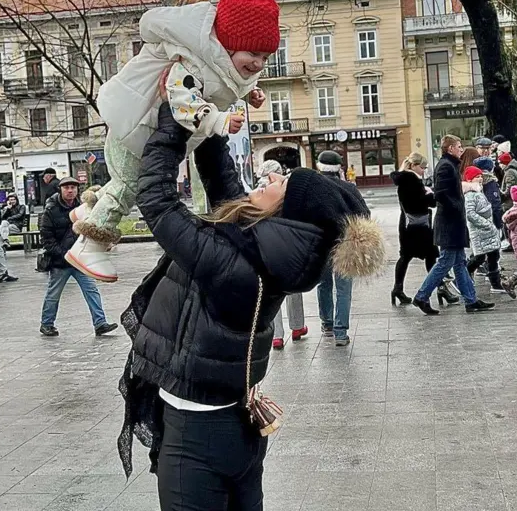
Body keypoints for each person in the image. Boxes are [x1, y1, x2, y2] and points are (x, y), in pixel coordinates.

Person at [117, 103, 385, 506]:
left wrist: (173, 120)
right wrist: (208, 120)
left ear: (284, 213)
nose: (267, 181)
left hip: (198, 435)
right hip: (233, 425)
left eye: (280, 184)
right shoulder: (263, 250)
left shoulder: (233, 261)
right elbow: (223, 180)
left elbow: (156, 201)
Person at [65, 0, 277, 283]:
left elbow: (231, 83)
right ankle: (91, 244)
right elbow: (182, 102)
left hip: (144, 132)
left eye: (264, 57)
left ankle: (87, 210)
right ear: (228, 43)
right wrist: (218, 121)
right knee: (129, 185)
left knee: (126, 183)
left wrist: (252, 92)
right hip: (134, 130)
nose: (258, 64)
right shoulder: (191, 62)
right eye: (252, 54)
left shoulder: (225, 64)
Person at [412, 135, 495, 315]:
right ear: (450, 148)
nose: (461, 149)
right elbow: (440, 194)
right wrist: (458, 207)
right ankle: (421, 296)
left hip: (453, 222)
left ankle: (471, 300)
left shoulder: (450, 165)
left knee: (459, 263)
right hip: (449, 222)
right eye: (458, 146)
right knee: (445, 262)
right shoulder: (445, 166)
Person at [39, 177, 118, 337]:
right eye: (67, 188)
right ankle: (47, 324)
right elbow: (47, 238)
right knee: (53, 294)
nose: (70, 191)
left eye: (73, 188)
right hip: (61, 261)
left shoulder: (82, 208)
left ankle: (100, 323)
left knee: (92, 291)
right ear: (60, 189)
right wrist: (63, 254)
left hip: (81, 259)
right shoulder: (51, 209)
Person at [390, 153, 458, 307]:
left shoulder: (404, 179)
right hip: (419, 226)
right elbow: (419, 202)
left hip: (408, 225)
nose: (424, 171)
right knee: (432, 256)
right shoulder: (411, 180)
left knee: (406, 257)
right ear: (413, 165)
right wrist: (431, 196)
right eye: (422, 167)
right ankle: (441, 288)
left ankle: (398, 288)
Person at [256, 161, 308, 350]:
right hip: (289, 246)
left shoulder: (256, 193)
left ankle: (277, 335)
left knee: (271, 292)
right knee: (294, 288)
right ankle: (297, 327)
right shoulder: (287, 191)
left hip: (265, 248)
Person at [315, 150, 358, 346]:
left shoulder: (313, 188)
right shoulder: (348, 187)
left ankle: (327, 323)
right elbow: (363, 213)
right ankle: (341, 333)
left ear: (319, 166)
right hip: (344, 244)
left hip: (319, 244)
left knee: (323, 284)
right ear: (339, 168)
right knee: (343, 289)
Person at [462, 166, 507, 295]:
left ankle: (496, 283)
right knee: (479, 257)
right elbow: (470, 213)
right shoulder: (470, 194)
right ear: (470, 179)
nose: (480, 179)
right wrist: (486, 224)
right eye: (477, 177)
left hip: (487, 230)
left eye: (481, 176)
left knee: (493, 255)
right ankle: (462, 278)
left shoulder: (479, 192)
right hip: (480, 231)